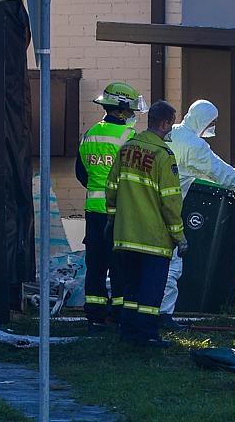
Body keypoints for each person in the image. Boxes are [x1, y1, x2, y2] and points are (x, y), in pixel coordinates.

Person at [159, 99, 235, 329]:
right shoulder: (194, 146)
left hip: (148, 208)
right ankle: (163, 317)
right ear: (203, 120)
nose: (213, 127)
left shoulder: (173, 133)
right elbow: (220, 173)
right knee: (171, 266)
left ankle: (137, 316)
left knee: (148, 265)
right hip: (168, 214)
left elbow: (203, 172)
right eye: (212, 122)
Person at [105, 100, 186, 347]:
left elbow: (111, 189)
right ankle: (148, 336)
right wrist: (179, 236)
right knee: (151, 293)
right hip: (153, 239)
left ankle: (128, 332)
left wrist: (113, 220)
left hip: (125, 235)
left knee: (130, 290)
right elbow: (170, 201)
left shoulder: (126, 149)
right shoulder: (163, 155)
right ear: (164, 123)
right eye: (171, 123)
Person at [76, 82, 148, 333]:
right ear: (121, 110)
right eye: (130, 111)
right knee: (119, 264)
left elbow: (81, 174)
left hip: (93, 212)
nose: (133, 116)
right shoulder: (129, 138)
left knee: (95, 264)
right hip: (119, 212)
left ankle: (95, 314)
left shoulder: (90, 134)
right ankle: (119, 313)